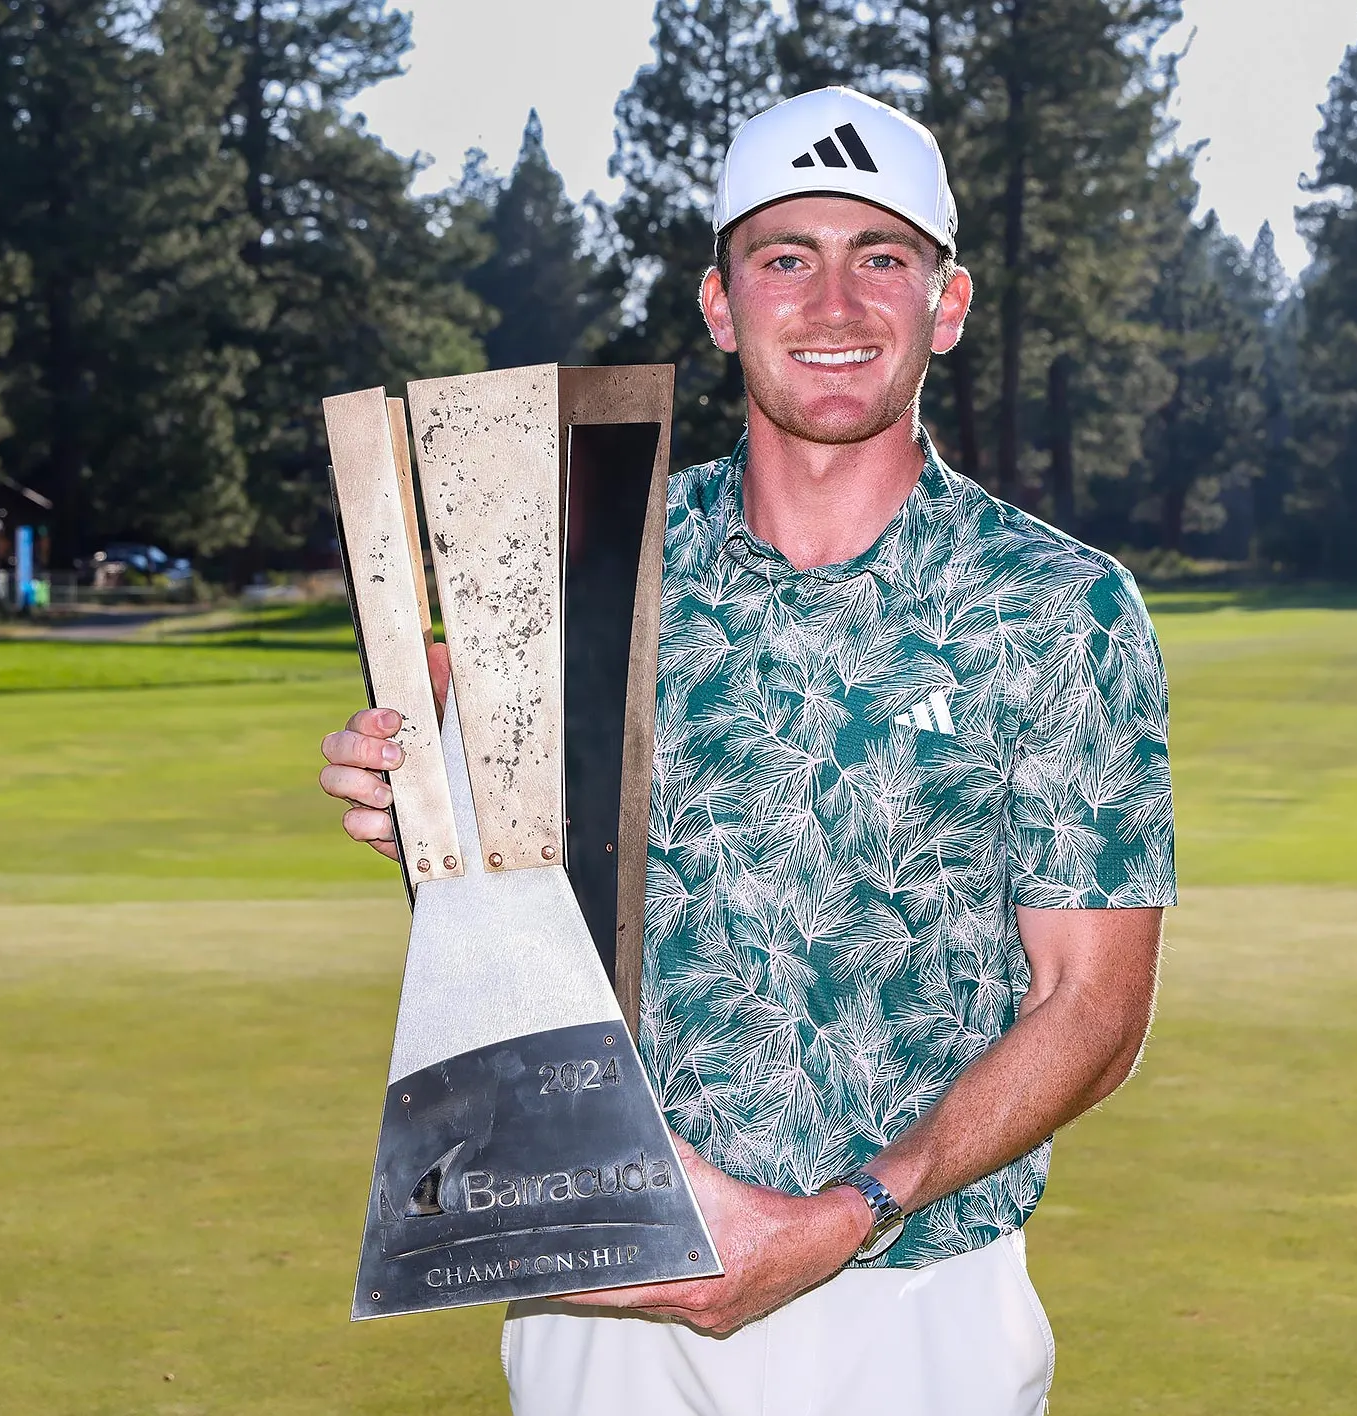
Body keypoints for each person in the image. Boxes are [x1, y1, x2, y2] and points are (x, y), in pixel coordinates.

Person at [319, 87, 1174, 1416]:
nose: (832, 306)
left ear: (945, 306)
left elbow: (1095, 1013)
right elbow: (532, 936)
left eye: (879, 257)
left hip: (918, 1302)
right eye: (786, 258)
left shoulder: (1059, 610)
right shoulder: (582, 574)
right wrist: (426, 825)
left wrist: (848, 1211)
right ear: (721, 305)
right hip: (602, 1293)